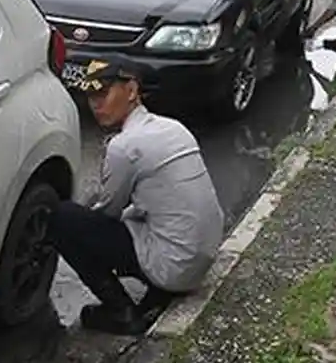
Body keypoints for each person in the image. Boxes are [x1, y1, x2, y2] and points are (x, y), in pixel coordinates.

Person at [46, 56, 223, 335]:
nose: (95, 104)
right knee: (134, 217)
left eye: (103, 94)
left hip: (175, 267)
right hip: (203, 256)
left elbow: (107, 212)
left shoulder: (125, 146)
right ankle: (155, 287)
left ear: (131, 90)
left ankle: (122, 313)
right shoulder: (172, 128)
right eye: (91, 97)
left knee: (62, 218)